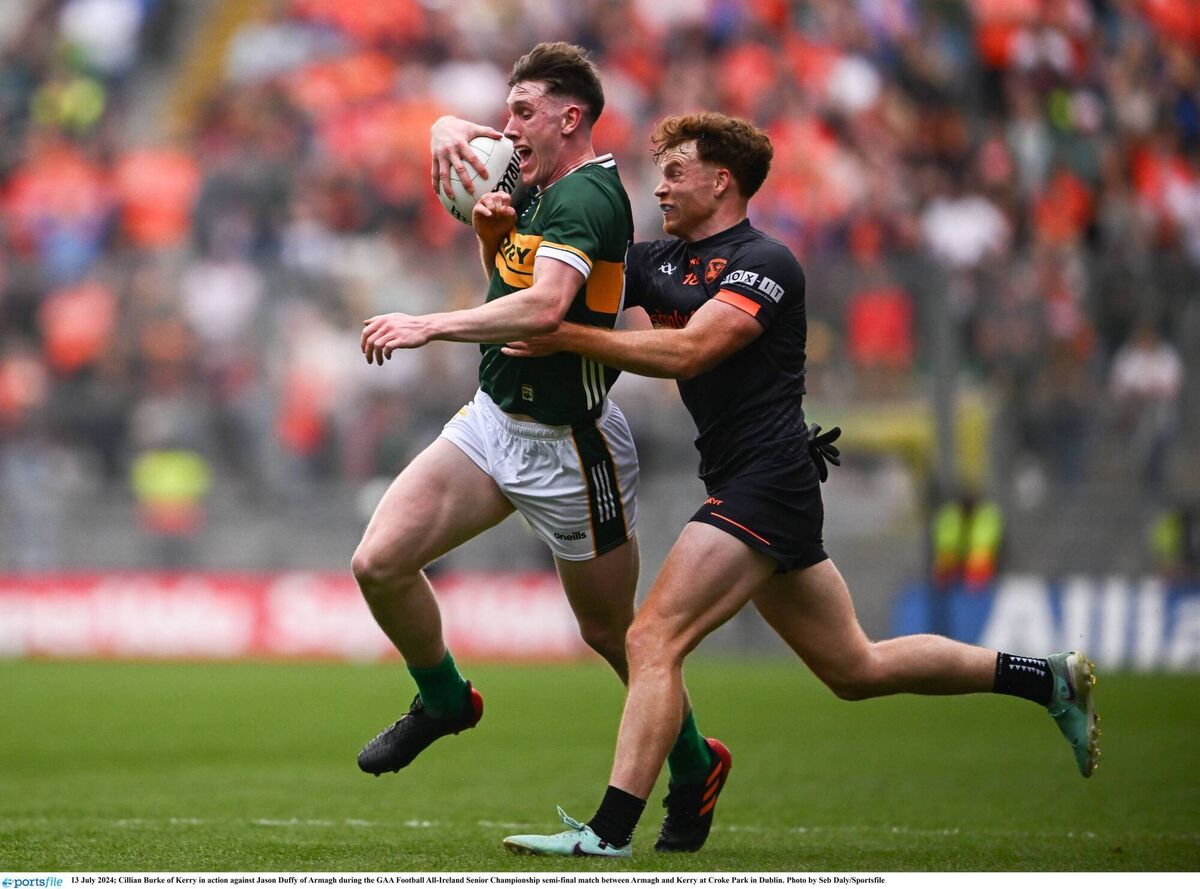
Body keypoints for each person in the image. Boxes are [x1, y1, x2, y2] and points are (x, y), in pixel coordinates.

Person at [495, 112, 1101, 859]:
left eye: (676, 171)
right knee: (856, 667)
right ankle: (1047, 679)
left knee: (651, 636)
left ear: (722, 180)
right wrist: (498, 227)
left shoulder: (766, 262)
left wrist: (564, 337)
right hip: (751, 480)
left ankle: (608, 830)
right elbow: (556, 273)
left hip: (767, 479)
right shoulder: (657, 261)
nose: (660, 185)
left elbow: (690, 351)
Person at [352, 44, 722, 848]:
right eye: (507, 110)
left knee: (612, 635)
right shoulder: (532, 178)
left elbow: (548, 309)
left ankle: (695, 762)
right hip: (493, 422)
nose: (508, 125)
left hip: (570, 448)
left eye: (523, 112)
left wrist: (430, 322)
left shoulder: (589, 197)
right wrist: (485, 227)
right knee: (378, 562)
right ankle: (446, 699)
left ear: (571, 118)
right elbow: (512, 267)